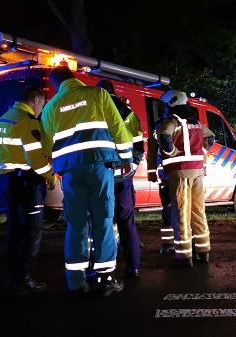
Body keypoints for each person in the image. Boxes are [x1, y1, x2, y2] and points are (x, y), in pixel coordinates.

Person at [41, 66, 133, 297]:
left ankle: (75, 281)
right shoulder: (97, 95)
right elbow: (119, 129)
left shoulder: (50, 108)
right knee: (103, 219)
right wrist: (126, 158)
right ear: (73, 79)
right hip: (99, 166)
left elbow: (46, 146)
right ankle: (105, 280)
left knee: (76, 223)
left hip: (71, 173)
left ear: (56, 85)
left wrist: (52, 172)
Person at [0, 86, 56, 295]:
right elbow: (36, 159)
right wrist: (50, 176)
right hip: (27, 184)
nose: (42, 109)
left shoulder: (2, 120)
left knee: (14, 230)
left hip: (7, 181)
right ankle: (25, 279)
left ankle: (12, 277)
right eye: (43, 104)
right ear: (35, 101)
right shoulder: (27, 122)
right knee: (33, 231)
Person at [156, 90, 215, 268]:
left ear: (171, 104)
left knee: (181, 214)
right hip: (197, 173)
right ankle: (204, 252)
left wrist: (172, 153)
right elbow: (210, 137)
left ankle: (184, 257)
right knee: (198, 212)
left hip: (180, 174)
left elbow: (165, 137)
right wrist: (202, 152)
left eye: (165, 105)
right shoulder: (195, 123)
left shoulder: (172, 122)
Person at [96, 80, 143, 278]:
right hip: (124, 177)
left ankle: (104, 266)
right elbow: (139, 145)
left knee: (102, 222)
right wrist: (131, 167)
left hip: (102, 175)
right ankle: (133, 266)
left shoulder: (96, 112)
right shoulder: (129, 113)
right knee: (126, 221)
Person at [147, 121, 176, 256]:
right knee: (179, 209)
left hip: (165, 175)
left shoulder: (158, 126)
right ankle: (181, 243)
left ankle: (167, 245)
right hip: (173, 174)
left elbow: (152, 152)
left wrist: (151, 172)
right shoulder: (179, 123)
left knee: (168, 209)